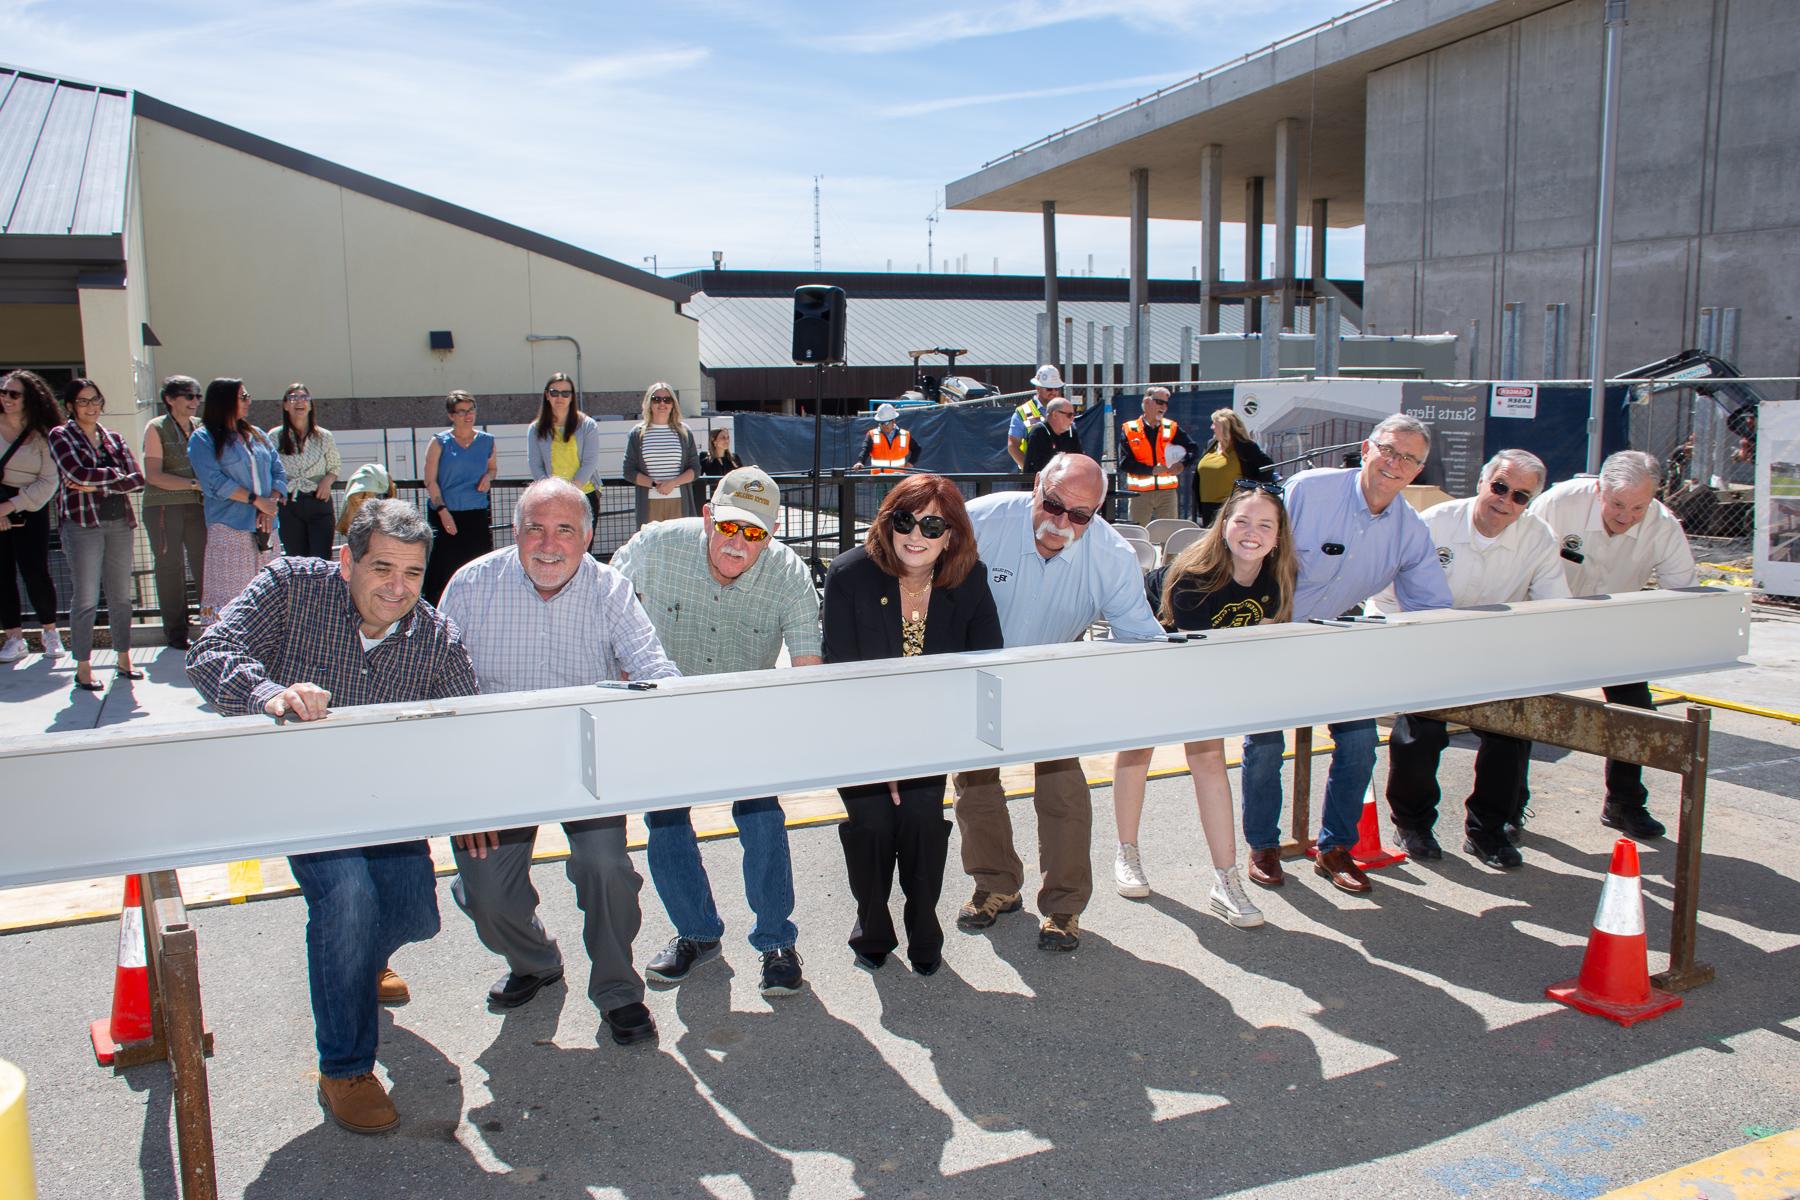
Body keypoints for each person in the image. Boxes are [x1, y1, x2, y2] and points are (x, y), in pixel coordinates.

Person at [185, 500, 477, 1136]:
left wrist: (475, 801)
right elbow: (208, 651)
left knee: (416, 917)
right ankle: (345, 1067)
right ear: (347, 560)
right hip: (306, 797)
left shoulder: (436, 637)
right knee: (346, 900)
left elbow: (466, 729)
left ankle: (360, 961)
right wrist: (270, 693)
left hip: (388, 805)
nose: (396, 587)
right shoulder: (292, 587)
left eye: (411, 572)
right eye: (380, 568)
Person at [439, 479, 678, 1044]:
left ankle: (618, 990)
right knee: (485, 893)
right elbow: (436, 691)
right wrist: (461, 795)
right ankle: (535, 962)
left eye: (565, 530)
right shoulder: (471, 587)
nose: (549, 544)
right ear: (513, 532)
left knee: (606, 869)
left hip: (584, 759)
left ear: (589, 536)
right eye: (535, 529)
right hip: (496, 763)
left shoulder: (611, 589)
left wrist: (656, 708)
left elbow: (654, 669)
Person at [611, 466, 820, 996]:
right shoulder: (652, 546)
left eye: (753, 533)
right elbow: (602, 616)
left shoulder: (789, 574)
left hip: (743, 714)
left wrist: (797, 736)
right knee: (664, 821)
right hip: (665, 711)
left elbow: (808, 668)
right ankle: (697, 933)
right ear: (707, 517)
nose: (737, 542)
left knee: (763, 818)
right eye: (729, 526)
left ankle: (776, 941)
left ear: (769, 536)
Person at [954, 453, 1166, 952]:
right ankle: (996, 884)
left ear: (1097, 513)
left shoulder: (1111, 556)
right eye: (1052, 505)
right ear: (1035, 487)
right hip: (980, 670)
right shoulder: (978, 521)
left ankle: (1065, 906)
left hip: (1054, 669)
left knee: (1063, 787)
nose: (1061, 522)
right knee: (974, 782)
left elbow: (1141, 639)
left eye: (1080, 515)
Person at [1240, 413, 1454, 896]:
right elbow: (1246, 542)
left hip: (1333, 641)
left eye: (1409, 459)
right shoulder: (1308, 491)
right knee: (1266, 747)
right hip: (1268, 636)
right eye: (1389, 451)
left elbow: (1432, 608)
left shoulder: (1410, 531)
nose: (1395, 465)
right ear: (1366, 448)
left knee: (1359, 743)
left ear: (1418, 471)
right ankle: (1264, 846)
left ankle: (1336, 848)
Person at [821, 475, 1002, 974]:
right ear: (887, 523)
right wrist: (886, 753)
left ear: (951, 535)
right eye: (905, 520)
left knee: (921, 820)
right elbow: (844, 674)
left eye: (932, 523)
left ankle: (924, 920)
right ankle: (872, 923)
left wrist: (914, 749)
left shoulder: (969, 580)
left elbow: (984, 663)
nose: (915, 534)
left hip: (931, 734)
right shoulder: (849, 575)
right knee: (874, 822)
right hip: (859, 731)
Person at [1110, 482, 1297, 926]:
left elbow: (1262, 642)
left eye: (1264, 525)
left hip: (1204, 663)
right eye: (1242, 520)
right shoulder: (1195, 578)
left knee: (1209, 759)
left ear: (1278, 537)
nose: (1252, 532)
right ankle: (1127, 851)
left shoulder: (1277, 578)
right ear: (1225, 525)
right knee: (1139, 749)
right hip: (1153, 650)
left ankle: (1224, 879)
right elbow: (1194, 665)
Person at [1373, 450, 1570, 869]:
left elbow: (1555, 604)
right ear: (1481, 482)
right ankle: (1412, 825)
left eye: (1520, 496)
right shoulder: (1433, 524)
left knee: (1510, 735)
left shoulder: (1538, 537)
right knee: (1419, 735)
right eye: (1499, 487)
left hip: (1496, 648)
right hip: (1430, 641)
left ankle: (1488, 831)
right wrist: (1403, 641)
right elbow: (1387, 589)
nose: (1505, 500)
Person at [1526, 449, 1697, 841]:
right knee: (1524, 710)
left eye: (1639, 507)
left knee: (1636, 710)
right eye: (1618, 503)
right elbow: (1523, 554)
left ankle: (1625, 802)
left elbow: (1684, 592)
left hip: (1615, 624)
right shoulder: (1559, 503)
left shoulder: (1664, 526)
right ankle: (1506, 807)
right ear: (1598, 487)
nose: (1626, 516)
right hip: (1548, 617)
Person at [47, 378, 145, 692]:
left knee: (121, 597)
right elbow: (75, 473)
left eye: (95, 400)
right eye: (83, 401)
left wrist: (96, 483)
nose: (91, 407)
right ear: (71, 406)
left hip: (118, 522)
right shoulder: (61, 436)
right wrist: (113, 477)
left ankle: (124, 658)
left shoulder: (112, 438)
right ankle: (83, 667)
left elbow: (139, 479)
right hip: (82, 524)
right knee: (86, 598)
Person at [189, 378, 286, 625]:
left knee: (269, 594)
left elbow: (279, 471)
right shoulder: (203, 438)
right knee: (229, 597)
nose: (248, 401)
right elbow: (214, 482)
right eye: (242, 397)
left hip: (266, 528)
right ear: (224, 401)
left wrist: (270, 504)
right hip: (230, 527)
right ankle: (224, 653)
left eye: (247, 395)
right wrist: (257, 501)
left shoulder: (257, 435)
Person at [0, 370, 64, 663]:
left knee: (35, 571)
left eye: (14, 394)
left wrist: (10, 506)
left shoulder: (43, 433)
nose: (6, 398)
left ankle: (50, 631)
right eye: (3, 392)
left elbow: (48, 481)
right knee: (2, 575)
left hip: (29, 509)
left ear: (30, 399)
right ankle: (13, 636)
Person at [140, 376, 208, 648]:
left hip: (198, 507)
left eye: (197, 396)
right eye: (188, 396)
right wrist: (193, 484)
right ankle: (175, 632)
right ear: (169, 399)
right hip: (163, 507)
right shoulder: (156, 427)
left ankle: (209, 626)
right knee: (170, 568)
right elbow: (154, 475)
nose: (194, 401)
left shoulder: (201, 427)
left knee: (204, 566)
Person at [420, 389, 496, 606]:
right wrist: (443, 511)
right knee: (441, 569)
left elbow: (493, 468)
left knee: (478, 566)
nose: (468, 415)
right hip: (446, 515)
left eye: (471, 409)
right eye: (461, 411)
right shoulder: (439, 442)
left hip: (476, 514)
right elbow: (430, 481)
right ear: (451, 415)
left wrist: (488, 478)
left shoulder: (487, 441)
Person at [271, 382, 341, 559]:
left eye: (304, 397)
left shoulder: (324, 436)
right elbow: (269, 469)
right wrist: (277, 491)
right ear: (286, 405)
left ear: (310, 405)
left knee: (321, 559)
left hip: (317, 500)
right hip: (289, 503)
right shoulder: (274, 436)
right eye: (293, 398)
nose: (299, 402)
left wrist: (327, 480)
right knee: (296, 560)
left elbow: (334, 466)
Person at [525, 372, 603, 529]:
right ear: (547, 395)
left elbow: (590, 462)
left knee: (582, 548)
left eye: (565, 393)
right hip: (551, 498)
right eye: (554, 392)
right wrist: (552, 493)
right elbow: (535, 465)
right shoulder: (535, 428)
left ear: (572, 396)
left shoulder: (588, 425)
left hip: (584, 495)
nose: (560, 397)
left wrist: (571, 492)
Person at [1120, 386, 1200, 525]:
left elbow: (1193, 449)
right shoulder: (1129, 429)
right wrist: (1151, 470)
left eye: (1166, 404)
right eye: (1160, 402)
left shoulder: (1171, 427)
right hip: (1139, 493)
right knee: (1137, 533)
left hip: (1167, 493)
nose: (1164, 407)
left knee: (1168, 533)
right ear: (1146, 402)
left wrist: (1182, 464)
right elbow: (1124, 462)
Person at [622, 382, 698, 527]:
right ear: (649, 403)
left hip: (679, 501)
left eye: (667, 400)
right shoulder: (637, 434)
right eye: (656, 399)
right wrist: (654, 484)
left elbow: (695, 469)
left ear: (673, 404)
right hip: (649, 503)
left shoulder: (684, 432)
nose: (662, 403)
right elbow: (628, 471)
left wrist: (673, 483)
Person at [1194, 408, 1274, 525]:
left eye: (1214, 424)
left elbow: (1267, 468)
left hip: (1231, 507)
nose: (1211, 427)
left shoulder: (1246, 447)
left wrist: (1249, 492)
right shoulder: (1212, 444)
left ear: (1224, 427)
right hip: (1207, 506)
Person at [1007, 365, 1063, 469]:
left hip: (1059, 476)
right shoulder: (1023, 412)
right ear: (1037, 387)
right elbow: (1012, 445)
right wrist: (1029, 469)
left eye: (1056, 388)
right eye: (1049, 388)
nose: (1054, 392)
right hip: (1033, 479)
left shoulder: (1064, 410)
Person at [1021, 397, 1083, 489]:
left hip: (1063, 487)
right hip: (1038, 489)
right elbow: (1040, 468)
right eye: (1069, 415)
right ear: (1055, 414)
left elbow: (1078, 460)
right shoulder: (1039, 431)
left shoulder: (1071, 432)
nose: (1072, 419)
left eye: (1074, 415)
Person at [856, 403, 920, 474]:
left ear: (893, 421)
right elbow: (865, 450)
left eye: (885, 423)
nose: (883, 425)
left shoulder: (905, 435)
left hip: (898, 477)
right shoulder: (872, 434)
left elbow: (917, 449)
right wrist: (860, 462)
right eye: (880, 423)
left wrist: (910, 463)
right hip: (878, 478)